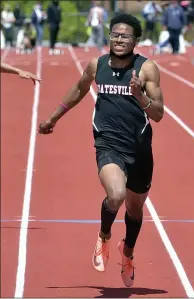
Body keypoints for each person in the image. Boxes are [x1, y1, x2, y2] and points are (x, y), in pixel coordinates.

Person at [38, 13, 164, 287]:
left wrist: (140, 96)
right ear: (109, 36)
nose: (119, 40)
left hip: (140, 148)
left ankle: (127, 252)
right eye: (115, 34)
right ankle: (104, 235)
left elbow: (158, 114)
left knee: (135, 209)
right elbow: (80, 88)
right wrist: (53, 118)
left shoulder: (146, 69)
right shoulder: (97, 65)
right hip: (108, 143)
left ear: (136, 40)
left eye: (125, 36)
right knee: (116, 194)